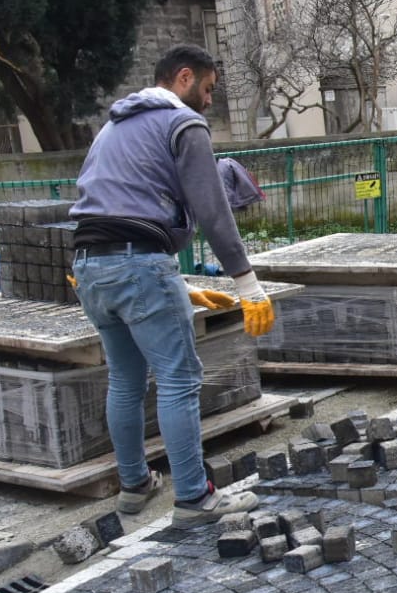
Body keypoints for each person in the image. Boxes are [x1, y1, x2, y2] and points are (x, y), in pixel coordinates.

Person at [70, 44, 276, 526]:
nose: (208, 101)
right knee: (179, 380)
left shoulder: (114, 126)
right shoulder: (181, 122)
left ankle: (135, 485)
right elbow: (212, 209)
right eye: (207, 89)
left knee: (125, 378)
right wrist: (246, 282)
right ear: (184, 78)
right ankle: (194, 498)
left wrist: (173, 283)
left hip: (89, 267)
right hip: (137, 265)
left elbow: (118, 205)